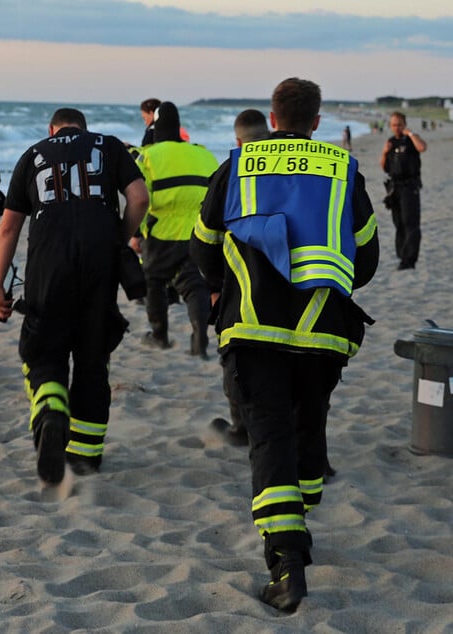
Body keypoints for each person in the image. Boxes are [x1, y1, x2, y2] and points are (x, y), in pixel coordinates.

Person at [190, 77, 379, 612]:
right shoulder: (343, 169)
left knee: (269, 437)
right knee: (308, 423)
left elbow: (202, 246)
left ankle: (286, 564)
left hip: (253, 325)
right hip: (323, 328)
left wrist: (225, 281)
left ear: (273, 119)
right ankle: (301, 509)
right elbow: (366, 258)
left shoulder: (237, 166)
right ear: (316, 121)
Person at [0, 107, 149, 483]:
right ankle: (86, 456)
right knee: (94, 356)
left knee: (44, 348)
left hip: (48, 265)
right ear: (84, 129)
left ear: (52, 129)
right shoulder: (109, 146)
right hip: (99, 265)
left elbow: (9, 228)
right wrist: (119, 237)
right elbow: (140, 198)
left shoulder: (33, 154)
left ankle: (50, 411)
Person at [134, 101, 219, 358]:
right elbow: (217, 194)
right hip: (197, 234)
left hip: (161, 234)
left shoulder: (147, 157)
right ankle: (200, 339)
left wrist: (135, 234)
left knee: (155, 283)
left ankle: (159, 336)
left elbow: (140, 199)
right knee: (195, 286)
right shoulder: (204, 154)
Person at [209, 108, 271, 445]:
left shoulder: (230, 171)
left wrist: (214, 286)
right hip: (300, 283)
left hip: (242, 283)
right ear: (270, 129)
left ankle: (240, 428)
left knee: (235, 352)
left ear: (237, 140)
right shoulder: (300, 167)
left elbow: (205, 240)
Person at [380, 111, 427, 270]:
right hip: (395, 187)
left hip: (410, 186)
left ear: (404, 124)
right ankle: (402, 255)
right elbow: (384, 167)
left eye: (399, 124)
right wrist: (384, 152)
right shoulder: (390, 142)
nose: (397, 127)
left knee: (410, 223)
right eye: (394, 125)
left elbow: (422, 148)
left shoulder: (411, 140)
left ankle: (409, 259)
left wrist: (411, 133)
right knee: (398, 223)